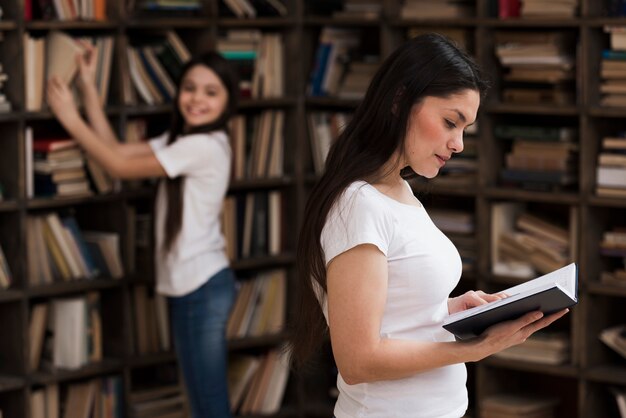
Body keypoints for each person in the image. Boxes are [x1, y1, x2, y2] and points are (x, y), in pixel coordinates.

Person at [288, 33, 569, 418]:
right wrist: (474, 349)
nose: (459, 144)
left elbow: (395, 316)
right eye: (451, 122)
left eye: (465, 129)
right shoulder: (359, 205)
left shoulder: (399, 191)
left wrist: (453, 311)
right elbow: (358, 360)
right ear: (400, 100)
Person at [47, 50, 239, 418]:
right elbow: (117, 150)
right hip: (193, 286)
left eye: (211, 92)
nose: (197, 98)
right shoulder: (184, 139)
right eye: (190, 88)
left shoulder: (204, 145)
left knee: (209, 404)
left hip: (202, 286)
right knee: (202, 401)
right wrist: (88, 87)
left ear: (228, 100)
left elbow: (117, 165)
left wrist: (71, 119)